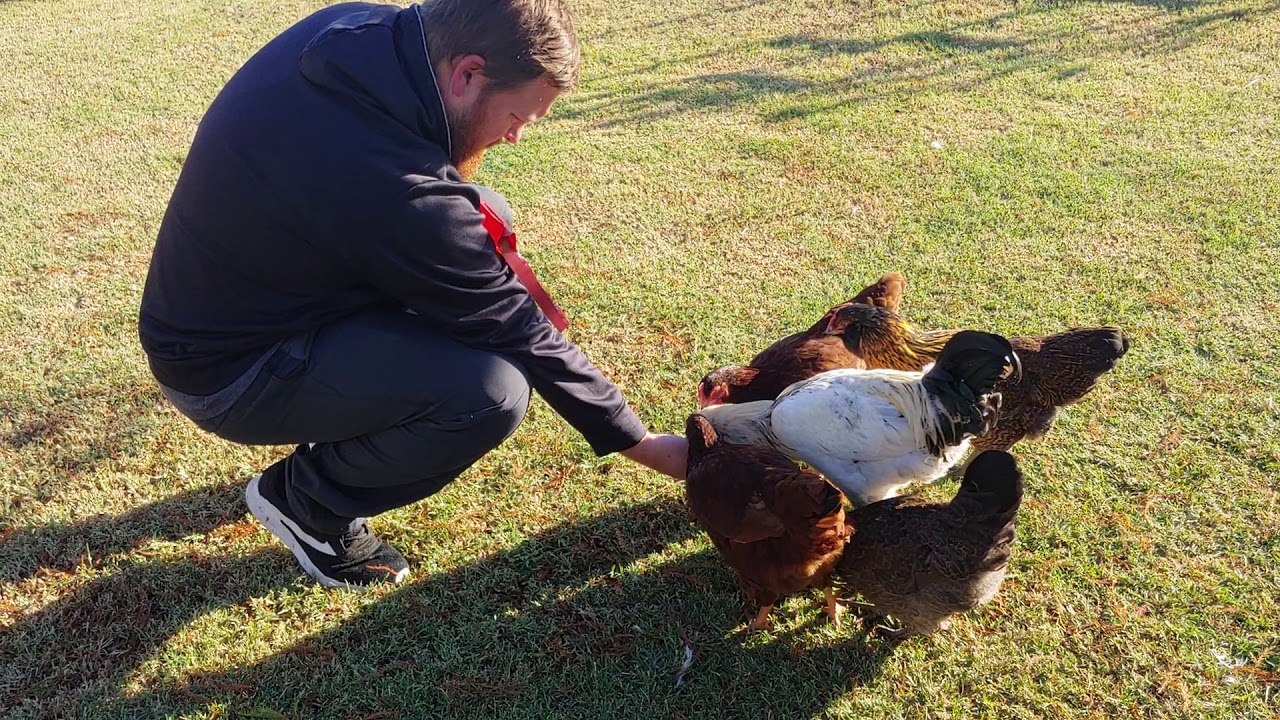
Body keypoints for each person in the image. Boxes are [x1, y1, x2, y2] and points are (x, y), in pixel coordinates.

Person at [137, 0, 687, 589]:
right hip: (230, 374)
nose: (517, 136)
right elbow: (518, 330)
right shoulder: (398, 191)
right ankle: (307, 504)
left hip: (237, 299)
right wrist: (646, 445)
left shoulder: (358, 27)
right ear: (468, 74)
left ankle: (357, 416)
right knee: (486, 393)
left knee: (481, 216)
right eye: (516, 115)